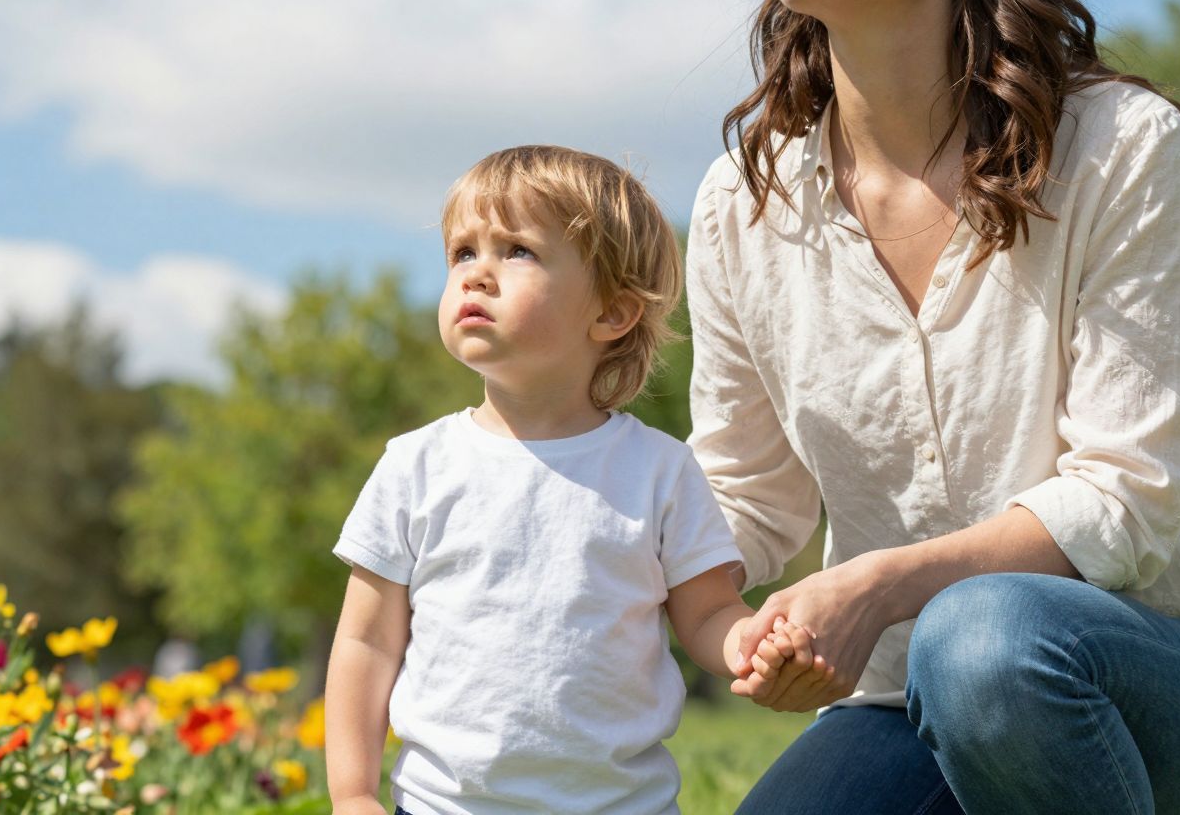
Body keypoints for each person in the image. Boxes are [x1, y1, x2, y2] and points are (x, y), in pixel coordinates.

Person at [687, 0, 1180, 814]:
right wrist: (707, 609)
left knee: (982, 643)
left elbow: (1127, 494)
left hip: (1165, 681)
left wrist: (876, 584)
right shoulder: (741, 205)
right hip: (894, 703)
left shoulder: (1115, 145)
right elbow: (743, 492)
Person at [325, 145, 823, 815]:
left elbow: (706, 613)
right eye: (462, 253)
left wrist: (751, 646)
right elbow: (366, 640)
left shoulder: (659, 471)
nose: (475, 276)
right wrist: (353, 793)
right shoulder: (414, 466)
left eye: (517, 251)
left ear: (612, 314)